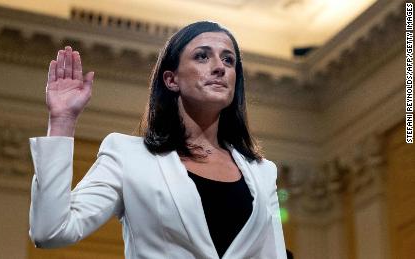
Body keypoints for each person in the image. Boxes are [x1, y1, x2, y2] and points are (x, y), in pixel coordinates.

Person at [29, 21, 287, 259]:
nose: (220, 67)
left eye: (229, 60)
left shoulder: (263, 172)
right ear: (171, 79)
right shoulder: (127, 156)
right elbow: (50, 231)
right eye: (202, 56)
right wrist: (62, 120)